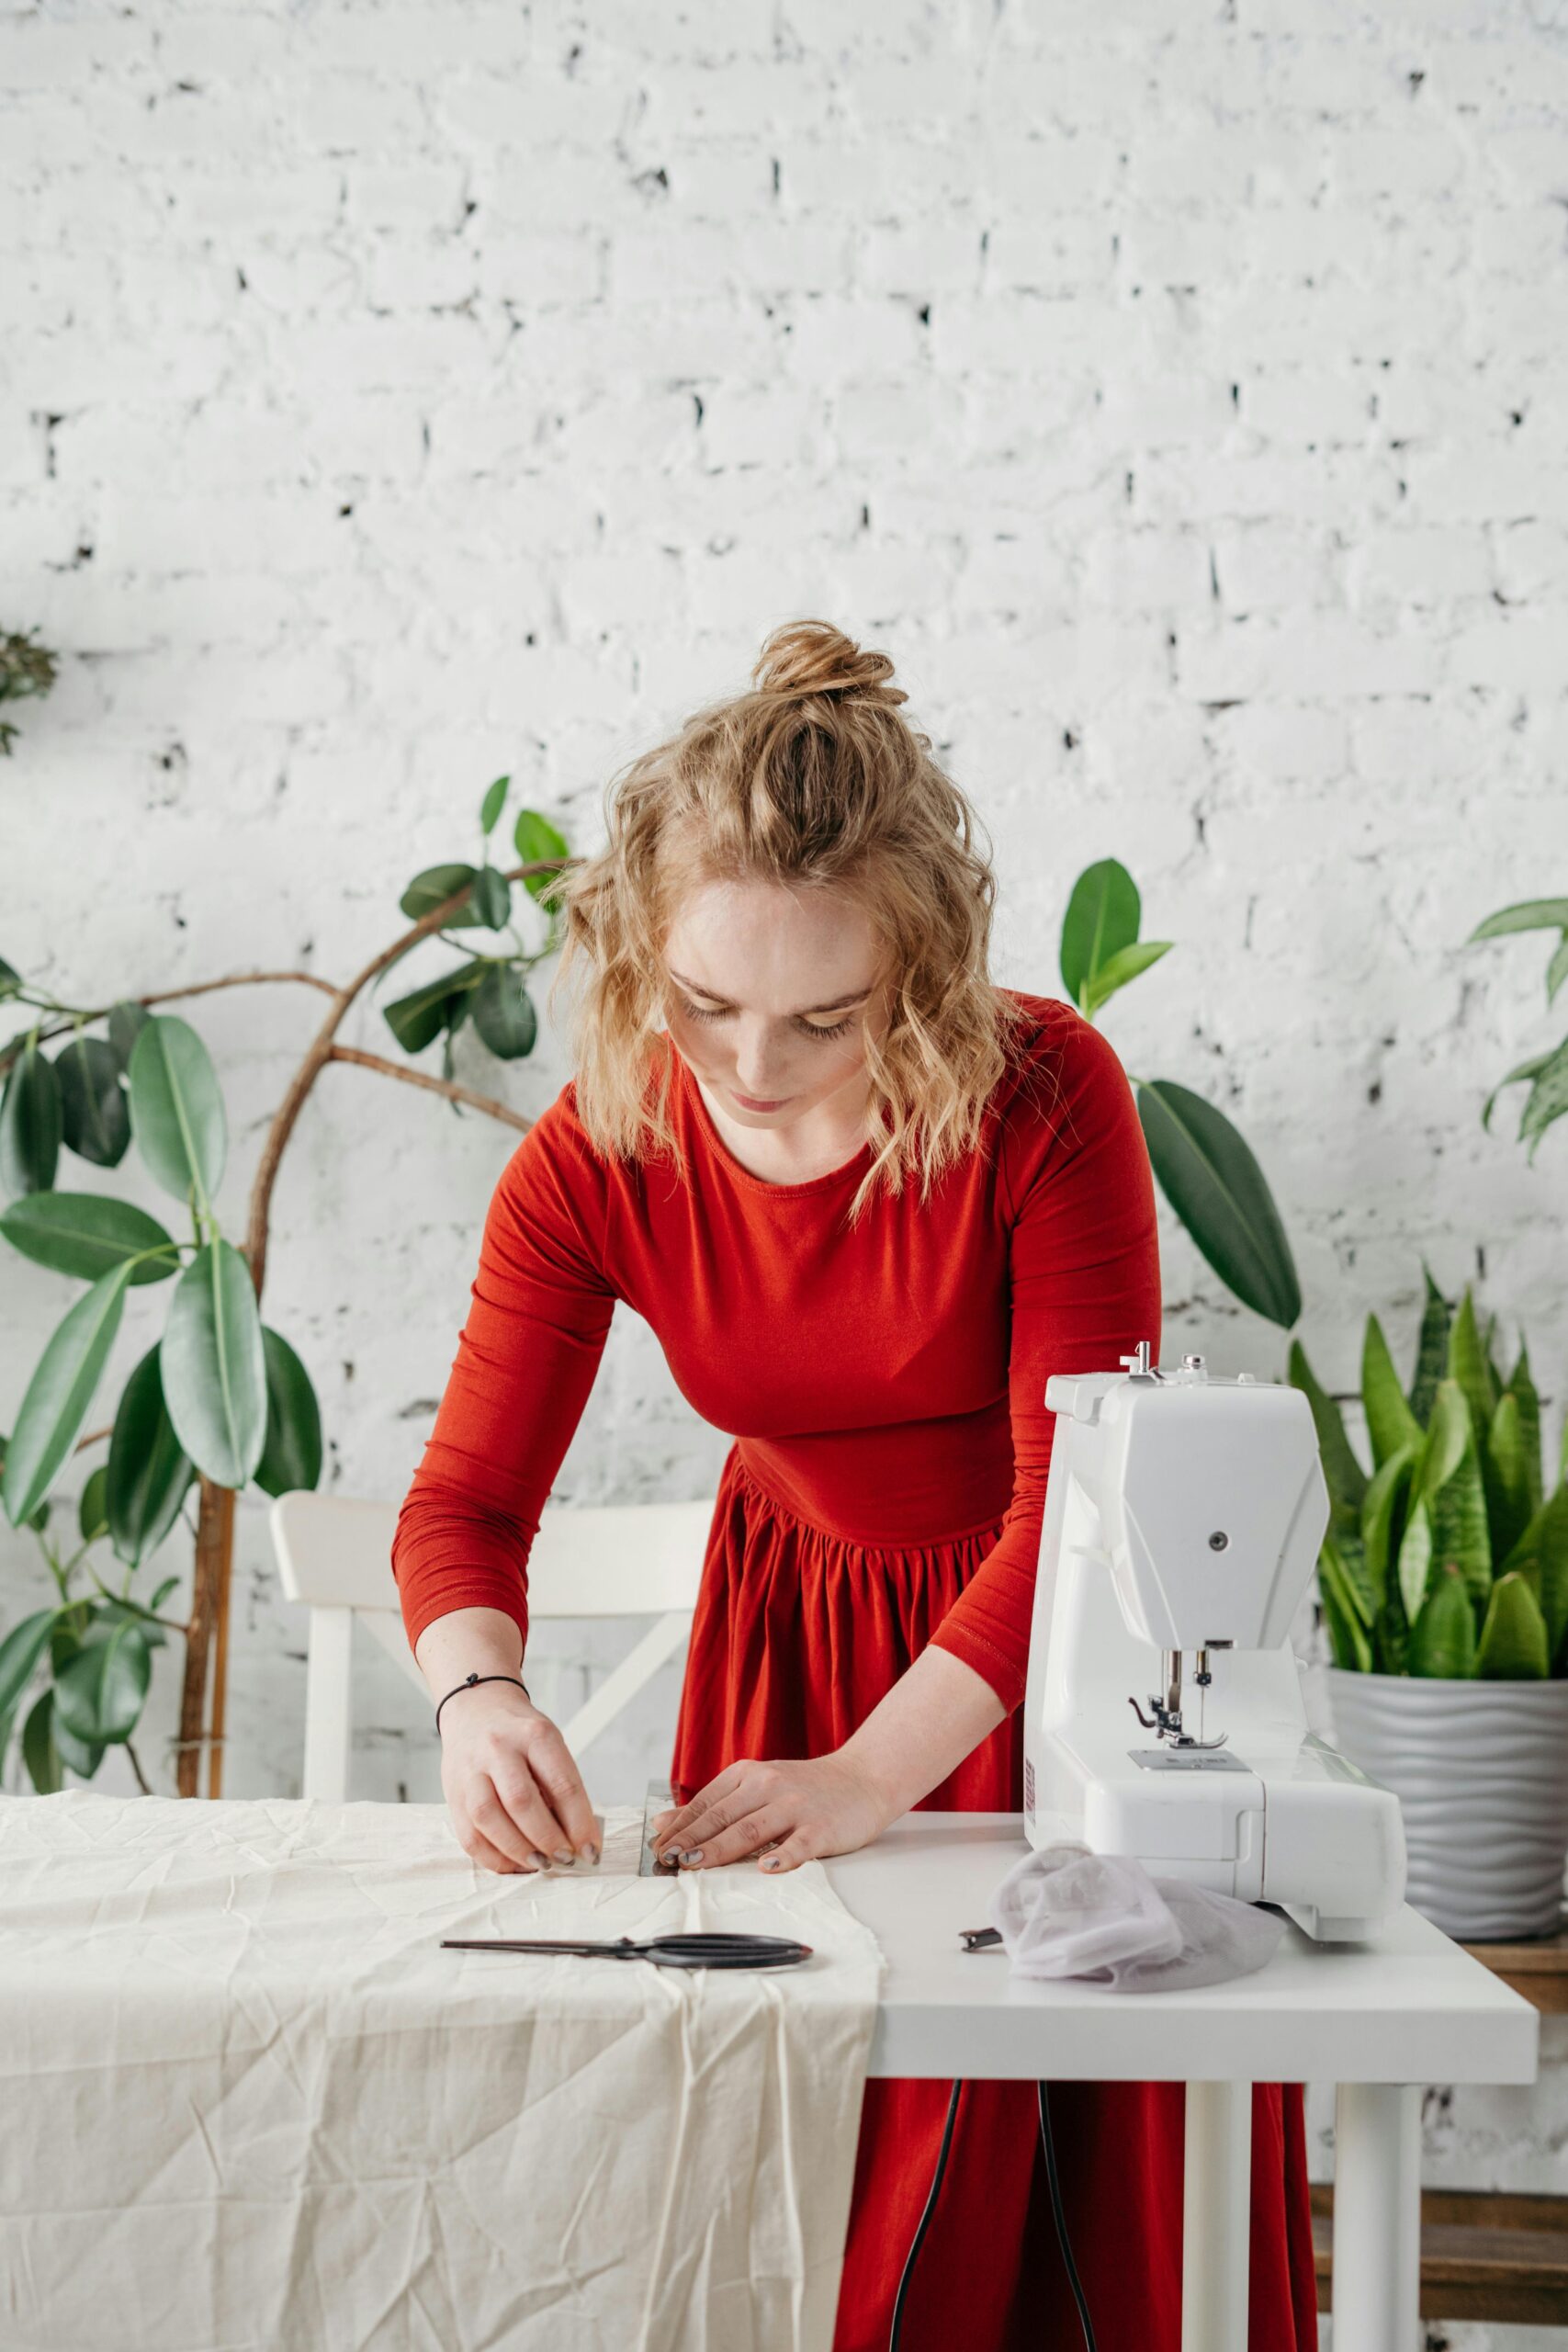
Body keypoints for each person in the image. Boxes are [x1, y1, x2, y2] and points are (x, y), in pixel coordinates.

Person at [390, 618, 1317, 2350]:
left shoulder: (1048, 1095)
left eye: (826, 1015)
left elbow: (1077, 1504)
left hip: (1048, 1664)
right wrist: (478, 1694)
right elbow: (460, 1509)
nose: (750, 1068)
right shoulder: (599, 1151)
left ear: (927, 974)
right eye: (703, 1006)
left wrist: (877, 1774)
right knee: (818, 2204)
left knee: (1103, 2196)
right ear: (635, 955)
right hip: (788, 1652)